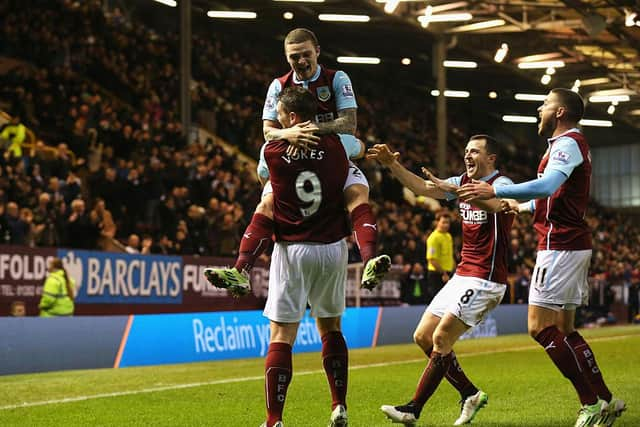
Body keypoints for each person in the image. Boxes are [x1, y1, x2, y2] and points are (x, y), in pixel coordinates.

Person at [458, 88, 626, 427]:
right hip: (570, 243)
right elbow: (553, 194)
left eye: (546, 103)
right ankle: (605, 399)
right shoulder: (568, 146)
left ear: (560, 112)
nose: (539, 108)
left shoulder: (567, 144)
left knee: (539, 327)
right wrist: (522, 206)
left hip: (559, 246)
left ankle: (589, 404)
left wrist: (496, 190)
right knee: (566, 328)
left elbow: (548, 186)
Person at [204, 28, 389, 295]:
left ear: (317, 52)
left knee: (356, 194)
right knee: (268, 202)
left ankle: (370, 261)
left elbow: (349, 124)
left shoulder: (336, 78)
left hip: (329, 153)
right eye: (294, 57)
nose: (301, 61)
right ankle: (240, 270)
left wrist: (308, 130)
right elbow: (269, 132)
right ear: (286, 57)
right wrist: (290, 134)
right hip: (300, 155)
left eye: (305, 55)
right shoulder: (278, 86)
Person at [367, 135, 514, 426]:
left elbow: (499, 205)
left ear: (491, 159)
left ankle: (412, 409)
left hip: (486, 278)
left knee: (441, 337)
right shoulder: (460, 181)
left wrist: (458, 190)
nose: (468, 156)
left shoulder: (503, 183)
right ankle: (469, 393)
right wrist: (392, 164)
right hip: (462, 275)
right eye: (466, 151)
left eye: (475, 151)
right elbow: (421, 187)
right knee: (422, 337)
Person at [248, 87, 359, 427]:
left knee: (282, 336)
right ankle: (338, 405)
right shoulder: (339, 146)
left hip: (292, 248)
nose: (277, 121)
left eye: (282, 116)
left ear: (292, 118)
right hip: (331, 247)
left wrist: (283, 135)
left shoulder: (273, 151)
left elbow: (262, 174)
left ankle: (274, 419)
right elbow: (358, 144)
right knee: (331, 327)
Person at [425, 212, 455, 298]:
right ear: (437, 222)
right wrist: (444, 273)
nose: (446, 225)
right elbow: (432, 260)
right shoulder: (433, 238)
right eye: (444, 222)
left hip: (448, 273)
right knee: (437, 301)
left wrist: (454, 268)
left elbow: (449, 255)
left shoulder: (448, 236)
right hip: (437, 274)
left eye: (448, 222)